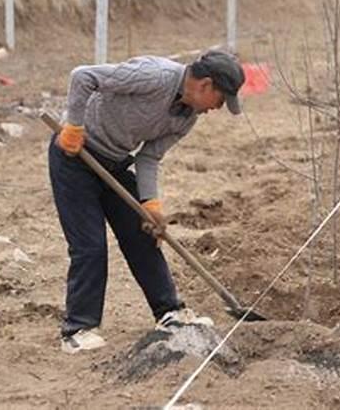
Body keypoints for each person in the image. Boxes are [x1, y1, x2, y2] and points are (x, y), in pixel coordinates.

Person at [48, 50, 245, 354]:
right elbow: (83, 76)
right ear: (205, 85)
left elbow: (150, 156)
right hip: (75, 155)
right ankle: (78, 328)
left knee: (144, 234)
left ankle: (168, 313)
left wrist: (150, 203)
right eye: (220, 100)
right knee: (90, 245)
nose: (217, 108)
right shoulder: (155, 76)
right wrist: (74, 125)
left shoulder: (186, 118)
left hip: (114, 162)